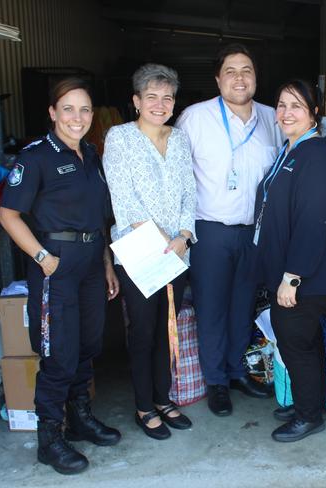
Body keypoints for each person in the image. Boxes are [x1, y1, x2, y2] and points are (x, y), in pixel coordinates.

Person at [0, 78, 121, 475]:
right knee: (58, 352)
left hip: (89, 262)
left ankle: (80, 418)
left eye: (85, 109)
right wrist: (41, 257)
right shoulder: (35, 157)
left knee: (87, 344)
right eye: (68, 109)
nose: (78, 117)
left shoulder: (90, 154)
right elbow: (8, 215)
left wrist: (105, 263)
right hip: (56, 264)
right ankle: (49, 438)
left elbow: (98, 219)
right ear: (52, 113)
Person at [176, 43, 282, 416]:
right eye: (231, 71)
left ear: (256, 77)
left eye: (247, 70)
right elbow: (177, 177)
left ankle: (237, 371)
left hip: (255, 230)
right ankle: (216, 381)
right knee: (212, 307)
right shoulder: (195, 117)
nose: (240, 78)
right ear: (218, 78)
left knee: (243, 304)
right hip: (210, 229)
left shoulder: (274, 117)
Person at [102, 63, 196, 440]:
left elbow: (191, 190)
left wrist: (185, 235)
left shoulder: (181, 139)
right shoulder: (119, 137)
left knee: (166, 328)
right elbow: (122, 198)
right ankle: (144, 405)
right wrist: (162, 239)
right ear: (137, 101)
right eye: (151, 96)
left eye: (167, 97)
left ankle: (163, 397)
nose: (160, 104)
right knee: (143, 330)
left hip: (177, 251)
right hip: (140, 252)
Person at [254, 79, 326, 442]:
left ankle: (309, 415)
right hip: (290, 270)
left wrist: (292, 277)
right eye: (281, 105)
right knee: (299, 342)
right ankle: (313, 403)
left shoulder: (316, 156)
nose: (286, 113)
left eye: (296, 106)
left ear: (314, 113)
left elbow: (314, 220)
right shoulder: (291, 151)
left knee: (297, 342)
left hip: (305, 275)